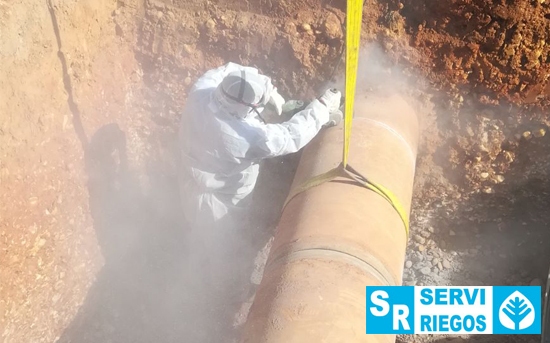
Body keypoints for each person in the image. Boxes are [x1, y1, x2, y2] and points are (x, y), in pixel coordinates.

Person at [177, 62, 342, 341]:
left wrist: (270, 91)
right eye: (256, 106)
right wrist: (322, 106)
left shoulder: (203, 90)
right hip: (220, 206)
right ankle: (220, 296)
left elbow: (228, 68)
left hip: (191, 184)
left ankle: (200, 269)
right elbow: (290, 137)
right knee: (223, 251)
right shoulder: (241, 137)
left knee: (201, 236)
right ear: (243, 108)